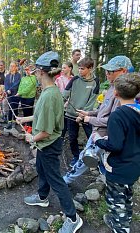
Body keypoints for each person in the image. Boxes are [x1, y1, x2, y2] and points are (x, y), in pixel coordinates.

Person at [16, 51, 83, 233]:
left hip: (48, 144)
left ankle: (72, 217)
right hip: (45, 145)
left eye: (36, 71)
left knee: (56, 180)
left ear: (41, 72)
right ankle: (42, 197)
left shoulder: (48, 96)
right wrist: (25, 120)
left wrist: (31, 137)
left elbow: (45, 131)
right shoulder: (51, 91)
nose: (35, 74)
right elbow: (40, 114)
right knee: (41, 168)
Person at [63, 55, 132, 185]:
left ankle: (66, 180)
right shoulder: (112, 87)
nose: (107, 74)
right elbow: (103, 110)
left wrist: (89, 119)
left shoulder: (123, 95)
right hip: (98, 131)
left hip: (105, 135)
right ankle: (107, 179)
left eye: (111, 71)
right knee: (101, 160)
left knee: (85, 158)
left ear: (124, 71)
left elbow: (113, 121)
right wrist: (89, 113)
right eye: (106, 70)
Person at [92, 72, 140, 233]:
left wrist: (98, 139)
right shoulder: (137, 110)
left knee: (116, 199)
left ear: (116, 93)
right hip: (135, 164)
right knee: (126, 195)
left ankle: (120, 227)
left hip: (119, 167)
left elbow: (115, 145)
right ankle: (123, 219)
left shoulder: (118, 115)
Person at [63, 57, 99, 167]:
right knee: (73, 137)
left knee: (92, 136)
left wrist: (82, 114)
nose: (79, 71)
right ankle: (76, 156)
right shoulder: (74, 79)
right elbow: (64, 94)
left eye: (82, 69)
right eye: (78, 68)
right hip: (71, 114)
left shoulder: (95, 81)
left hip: (87, 116)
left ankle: (94, 157)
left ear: (90, 68)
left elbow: (93, 99)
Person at [55, 61, 74, 138]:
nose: (62, 69)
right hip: (60, 105)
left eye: (64, 68)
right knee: (61, 124)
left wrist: (68, 102)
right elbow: (56, 92)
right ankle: (60, 139)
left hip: (71, 106)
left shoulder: (74, 79)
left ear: (70, 68)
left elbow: (75, 92)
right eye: (62, 68)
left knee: (69, 125)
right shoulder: (58, 79)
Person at [4, 61, 21, 130]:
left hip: (16, 94)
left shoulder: (18, 75)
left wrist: (10, 89)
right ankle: (9, 122)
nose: (11, 67)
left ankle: (15, 121)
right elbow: (6, 84)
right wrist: (7, 90)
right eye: (10, 66)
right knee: (10, 108)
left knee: (15, 108)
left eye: (13, 66)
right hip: (9, 94)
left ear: (16, 67)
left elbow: (16, 84)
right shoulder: (7, 76)